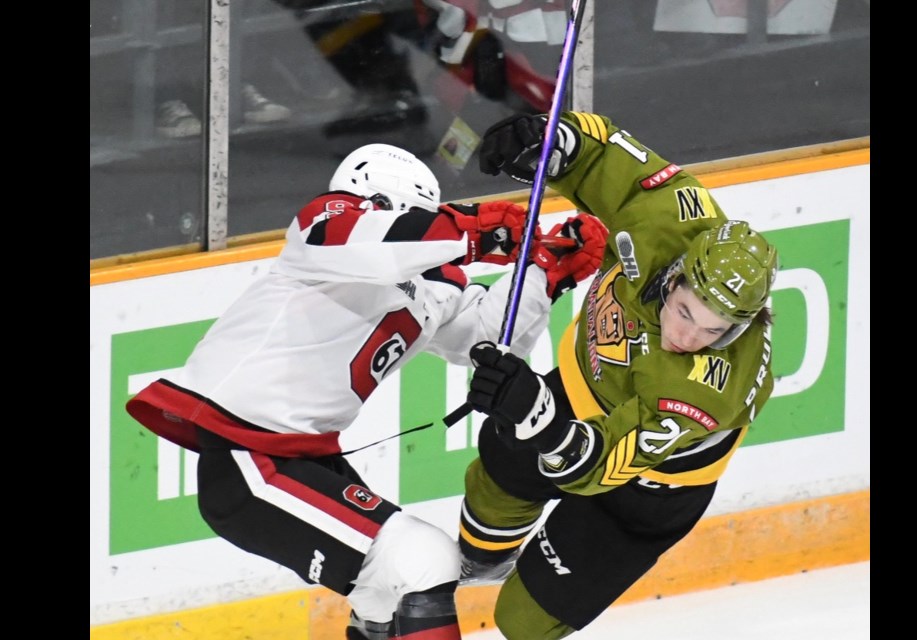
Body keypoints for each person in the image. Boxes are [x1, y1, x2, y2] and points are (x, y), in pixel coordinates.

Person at [125, 142, 608, 640]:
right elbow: (375, 244)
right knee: (422, 558)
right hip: (248, 459)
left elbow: (485, 336)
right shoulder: (324, 226)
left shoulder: (432, 286)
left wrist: (543, 271)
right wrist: (472, 229)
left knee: (385, 591)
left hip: (302, 459)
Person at [454, 111, 779, 639]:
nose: (689, 337)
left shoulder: (706, 388)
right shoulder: (669, 216)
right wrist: (548, 140)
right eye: (686, 312)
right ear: (676, 275)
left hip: (650, 489)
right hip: (582, 391)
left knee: (523, 621)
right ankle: (482, 563)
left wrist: (534, 414)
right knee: (498, 473)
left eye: (715, 331)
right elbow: (605, 153)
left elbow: (600, 467)